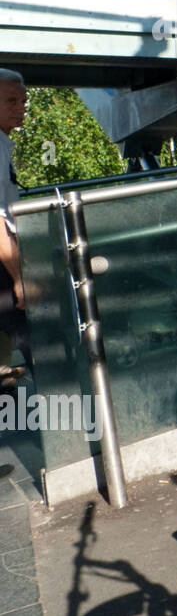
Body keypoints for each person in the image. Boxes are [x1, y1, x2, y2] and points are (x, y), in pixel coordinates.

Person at [0, 69, 30, 389]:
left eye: (22, 101)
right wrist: (19, 277)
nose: (20, 107)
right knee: (33, 338)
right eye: (10, 100)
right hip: (3, 263)